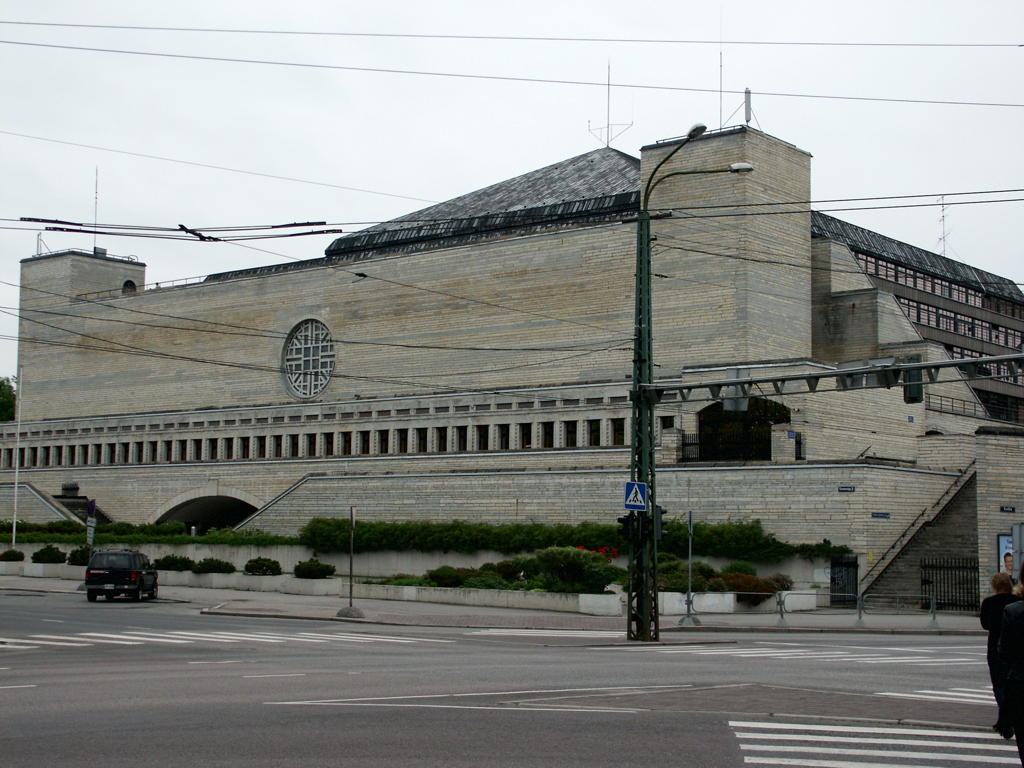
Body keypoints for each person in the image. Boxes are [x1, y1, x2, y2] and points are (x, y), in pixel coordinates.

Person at [982, 572, 1017, 738]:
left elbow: (985, 624)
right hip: (1014, 646)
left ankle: (1006, 720)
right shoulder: (1016, 601)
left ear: (994, 586)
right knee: (1012, 683)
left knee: (998, 684)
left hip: (995, 647)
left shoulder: (989, 602)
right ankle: (1009, 718)